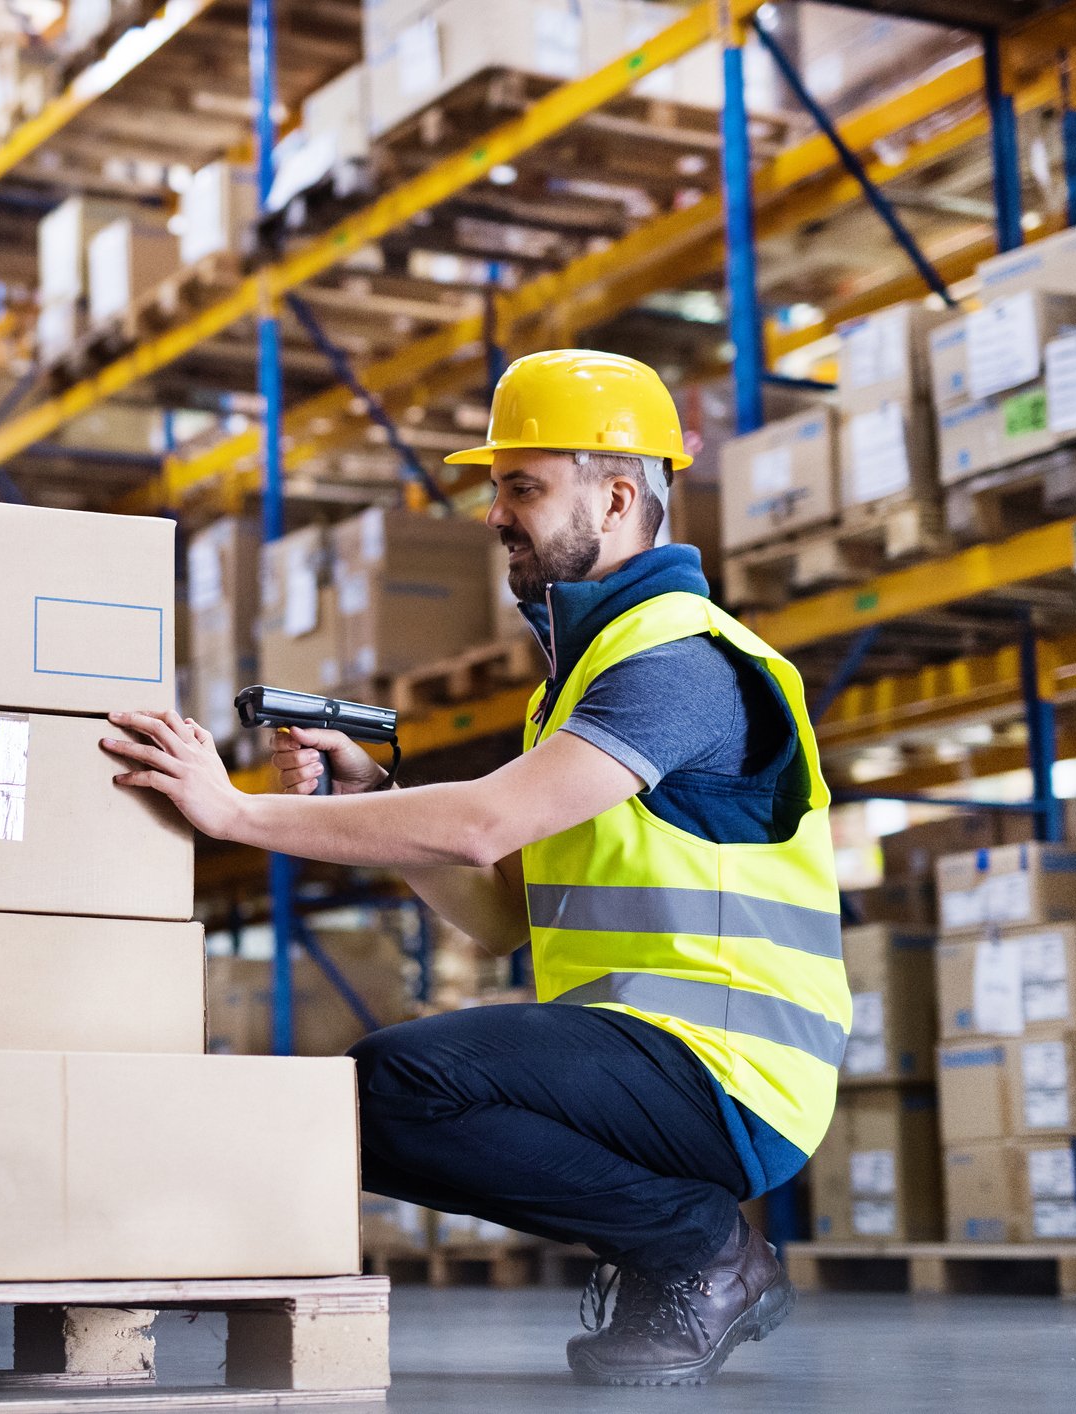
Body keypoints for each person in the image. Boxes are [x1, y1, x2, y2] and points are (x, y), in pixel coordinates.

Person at [102, 350, 849, 1387]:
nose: (496, 513)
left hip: (728, 1068)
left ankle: (700, 1251)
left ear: (619, 495)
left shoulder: (679, 665)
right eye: (497, 488)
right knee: (379, 1098)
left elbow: (480, 824)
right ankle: (685, 1246)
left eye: (524, 486)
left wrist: (234, 812)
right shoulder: (580, 685)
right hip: (656, 1057)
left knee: (394, 1085)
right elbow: (500, 918)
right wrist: (363, 800)